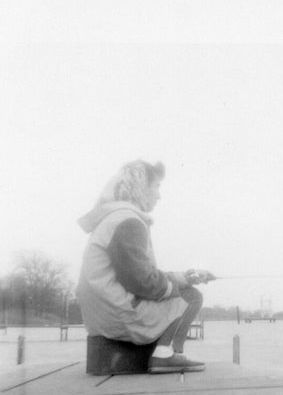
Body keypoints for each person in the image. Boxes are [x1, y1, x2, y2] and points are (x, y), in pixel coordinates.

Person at [76, 159, 214, 374]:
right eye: (156, 187)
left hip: (102, 314)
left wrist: (184, 277)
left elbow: (137, 274)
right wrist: (179, 287)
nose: (159, 195)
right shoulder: (129, 222)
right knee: (192, 296)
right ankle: (165, 355)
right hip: (117, 314)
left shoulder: (114, 218)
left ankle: (165, 352)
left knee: (180, 289)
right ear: (141, 188)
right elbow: (142, 282)